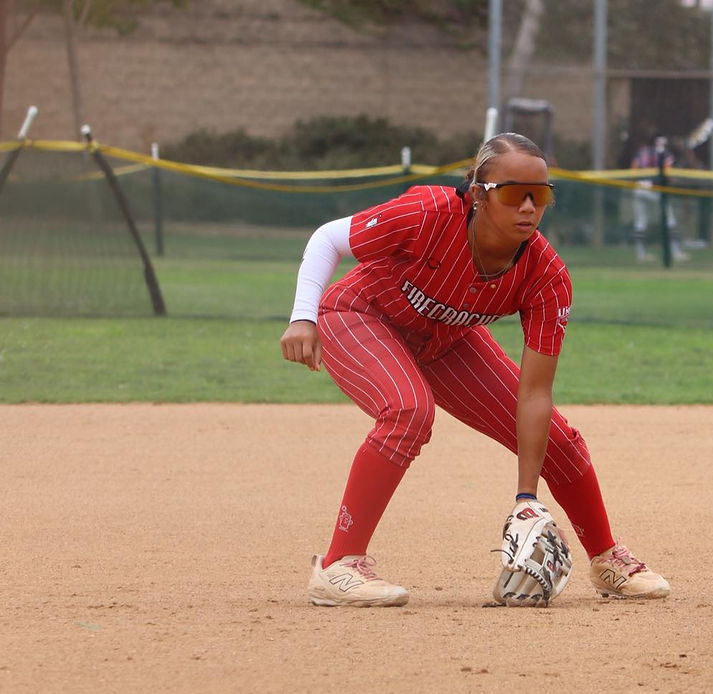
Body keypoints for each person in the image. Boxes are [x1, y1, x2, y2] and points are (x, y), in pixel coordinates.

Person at [279, 132, 670, 607]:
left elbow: (534, 394)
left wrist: (527, 498)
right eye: (512, 192)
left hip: (446, 339)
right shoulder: (428, 213)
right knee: (408, 410)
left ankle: (607, 559)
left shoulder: (546, 275)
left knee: (559, 441)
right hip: (360, 314)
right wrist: (303, 316)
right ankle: (340, 566)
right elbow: (328, 238)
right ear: (480, 194)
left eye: (540, 194)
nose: (528, 206)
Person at [630, 133, 688, 262]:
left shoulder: (642, 151)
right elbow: (668, 174)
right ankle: (676, 252)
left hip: (639, 188)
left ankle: (641, 255)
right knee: (669, 219)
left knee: (641, 221)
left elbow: (633, 169)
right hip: (655, 189)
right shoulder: (666, 153)